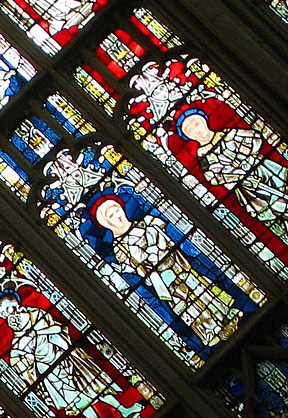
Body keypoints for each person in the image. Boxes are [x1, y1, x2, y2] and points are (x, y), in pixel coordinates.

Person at [83, 189, 259, 358]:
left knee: (204, 290)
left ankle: (230, 316)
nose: (117, 216)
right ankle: (208, 333)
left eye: (116, 210)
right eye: (110, 216)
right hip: (164, 284)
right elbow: (136, 265)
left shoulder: (150, 222)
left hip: (180, 266)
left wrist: (153, 251)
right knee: (187, 307)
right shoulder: (119, 249)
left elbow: (163, 242)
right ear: (105, 224)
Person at [0, 288, 144, 418]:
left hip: (66, 357)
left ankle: (124, 410)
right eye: (7, 312)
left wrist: (36, 332)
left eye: (12, 307)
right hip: (50, 374)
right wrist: (28, 355)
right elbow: (22, 367)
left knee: (94, 387)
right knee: (77, 403)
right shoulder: (16, 345)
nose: (13, 313)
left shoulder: (38, 315)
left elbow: (58, 329)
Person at [172, 104, 288, 244]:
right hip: (248, 189)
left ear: (204, 121)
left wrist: (247, 157)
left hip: (266, 170)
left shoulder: (229, 133)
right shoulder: (203, 158)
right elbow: (213, 178)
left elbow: (256, 137)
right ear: (188, 136)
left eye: (197, 123)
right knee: (277, 211)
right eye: (190, 130)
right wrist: (235, 174)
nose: (197, 130)